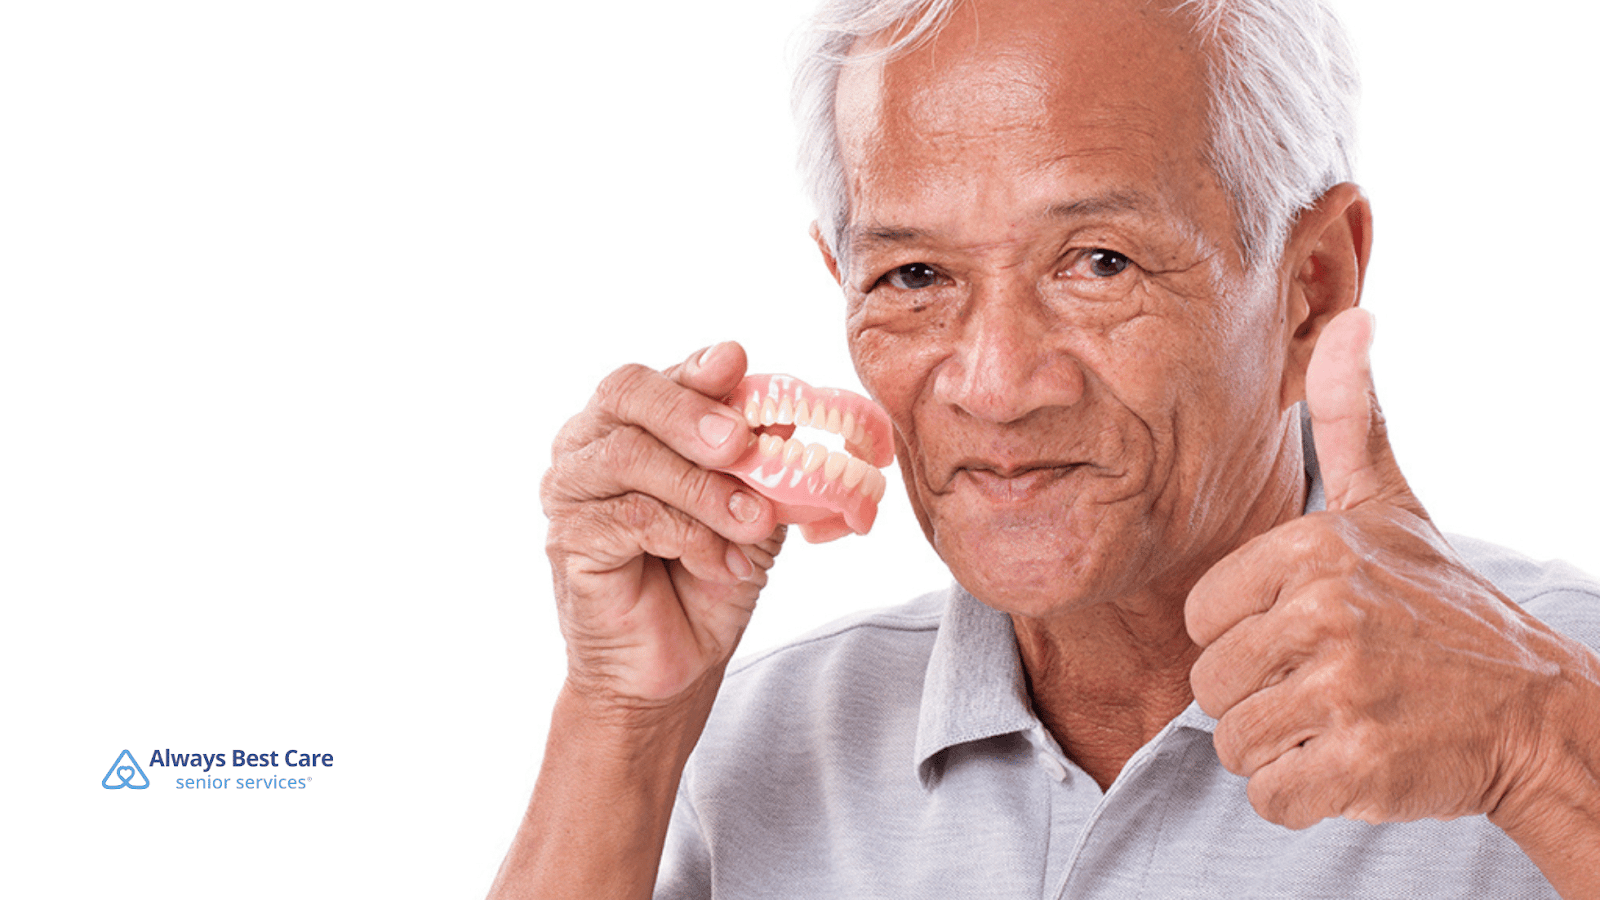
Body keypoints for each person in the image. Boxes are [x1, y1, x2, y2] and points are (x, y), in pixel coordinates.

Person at [490, 0, 1600, 896]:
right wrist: (622, 727)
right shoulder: (764, 736)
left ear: (1310, 286)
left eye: (1099, 262)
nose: (996, 385)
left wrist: (1547, 753)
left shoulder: (1557, 691)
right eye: (915, 278)